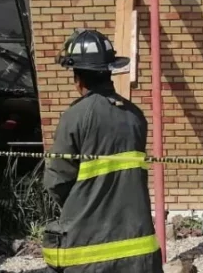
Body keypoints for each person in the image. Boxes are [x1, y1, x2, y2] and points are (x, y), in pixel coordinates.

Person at [42, 29, 162, 272]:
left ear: (78, 79)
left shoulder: (75, 117)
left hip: (88, 253)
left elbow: (56, 181)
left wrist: (82, 204)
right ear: (109, 72)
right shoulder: (135, 116)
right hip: (138, 252)